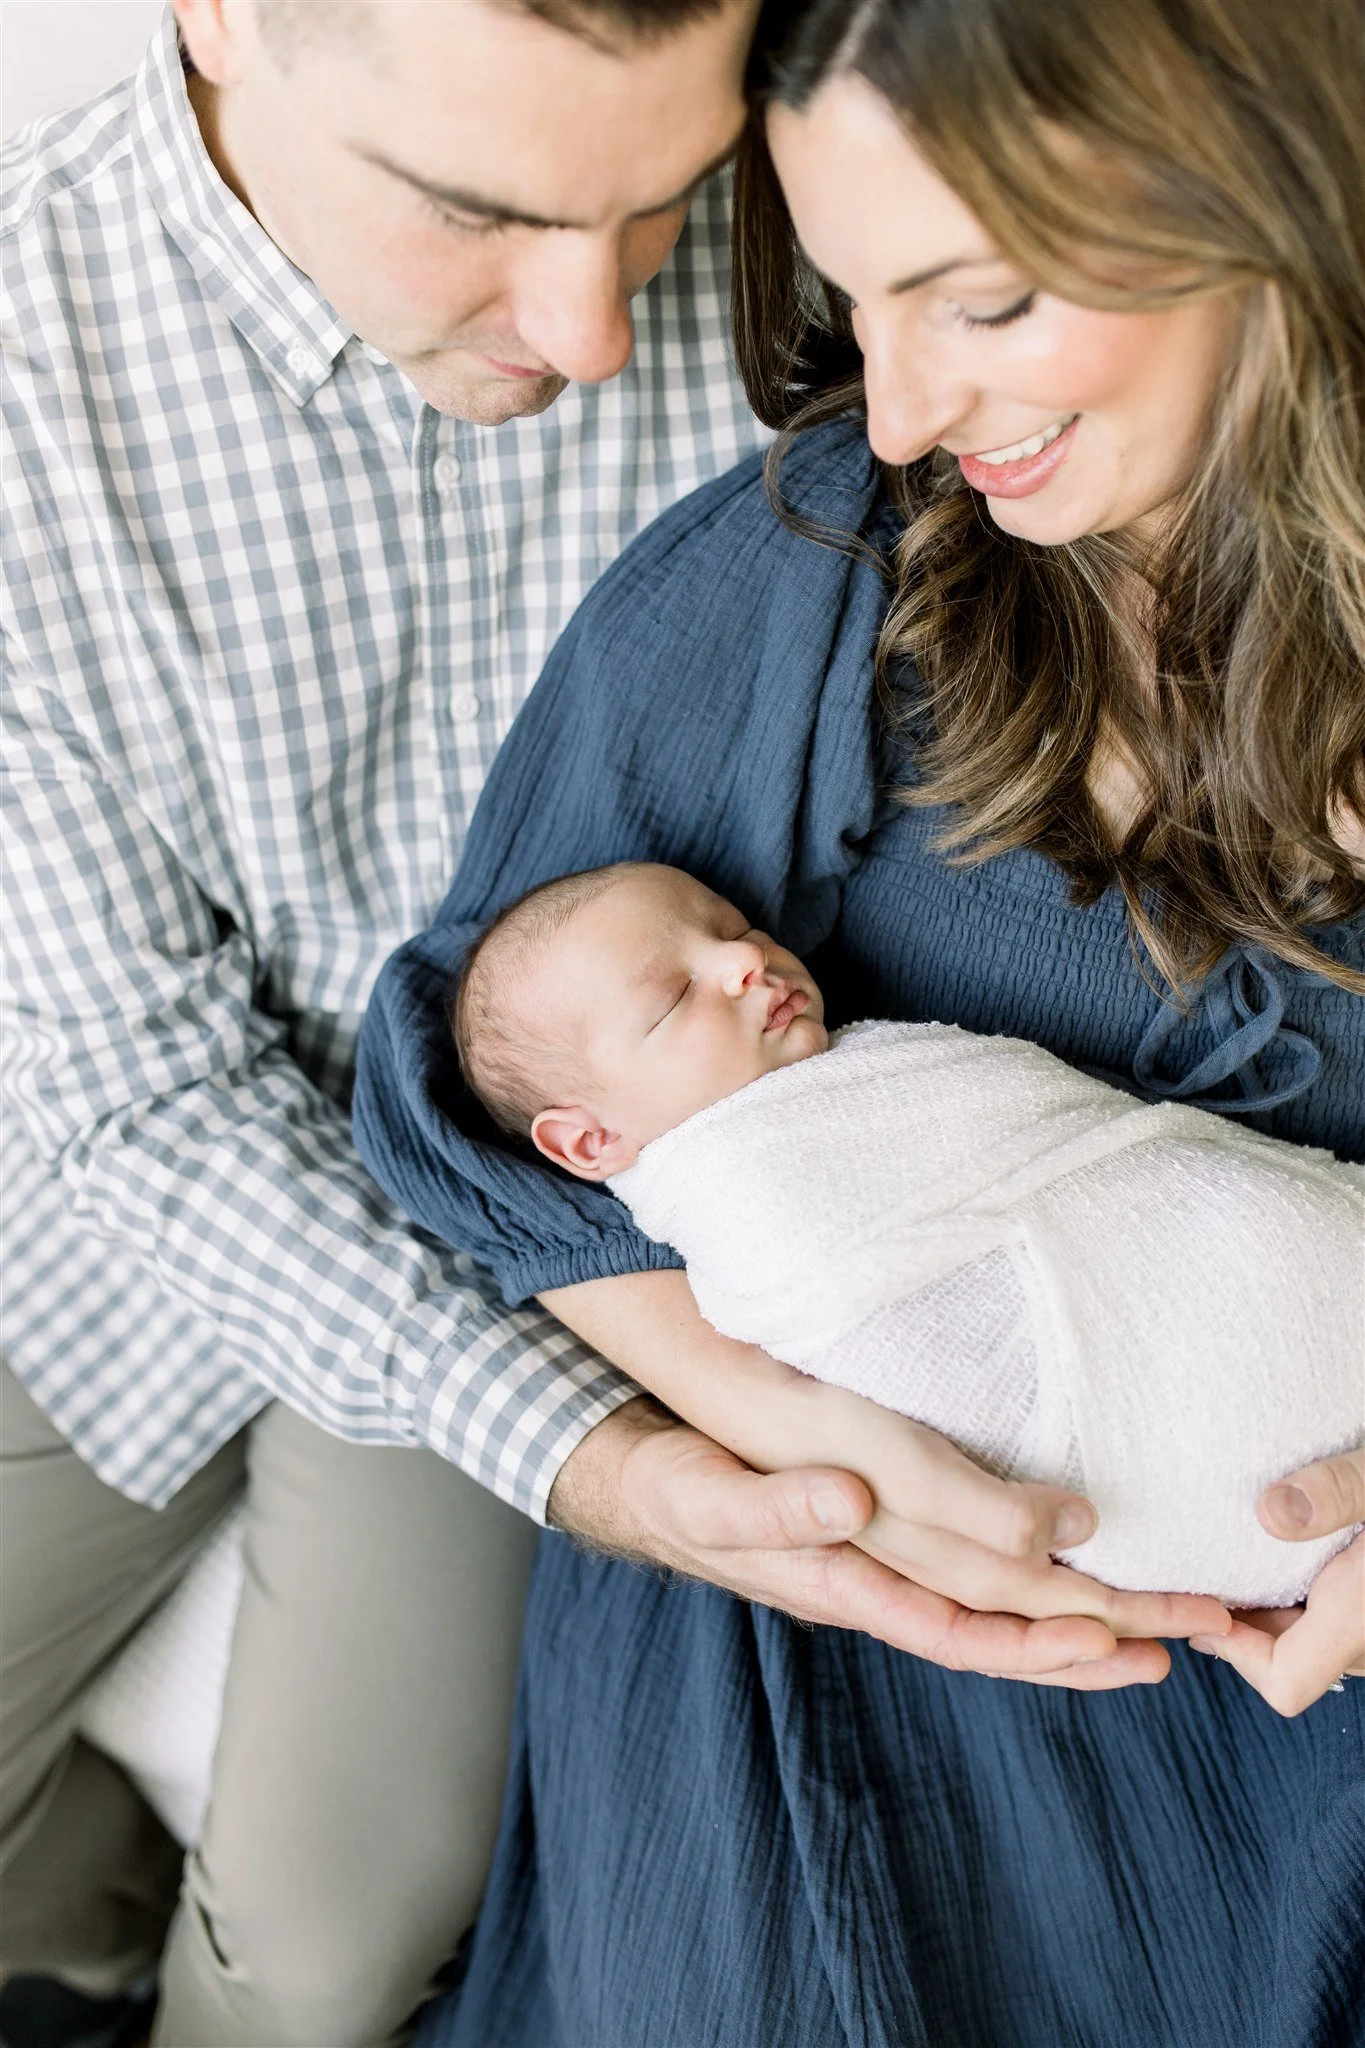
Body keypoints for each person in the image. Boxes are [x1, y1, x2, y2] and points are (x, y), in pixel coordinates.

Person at [352, 0, 1365, 2039]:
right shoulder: (823, 571)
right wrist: (800, 1440)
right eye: (856, 301)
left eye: (975, 302)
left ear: (1260, 196)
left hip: (1290, 1726)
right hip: (832, 1701)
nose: (897, 408)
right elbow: (477, 1111)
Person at [0, 0, 789, 2040]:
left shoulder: (824, 185)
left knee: (319, 1955)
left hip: (563, 1186)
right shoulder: (24, 372)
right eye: (477, 209)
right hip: (138, 1154)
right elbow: (131, 1091)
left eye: (658, 208)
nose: (600, 329)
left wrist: (582, 1431)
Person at [448, 857, 1363, 1605]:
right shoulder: (747, 1200)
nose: (740, 964)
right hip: (1134, 1464)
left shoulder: (858, 1075)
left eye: (733, 930)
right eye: (672, 1000)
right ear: (590, 1141)